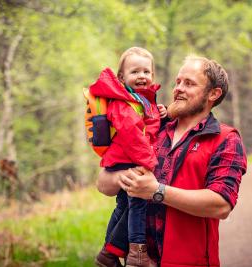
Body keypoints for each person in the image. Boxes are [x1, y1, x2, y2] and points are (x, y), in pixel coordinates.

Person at [96, 55, 247, 267]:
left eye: (189, 83)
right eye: (178, 82)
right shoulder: (150, 129)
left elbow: (220, 205)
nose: (178, 88)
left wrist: (156, 191)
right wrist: (126, 177)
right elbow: (103, 184)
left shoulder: (225, 139)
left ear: (213, 93)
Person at [90, 47, 167, 267]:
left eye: (146, 71)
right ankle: (137, 252)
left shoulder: (141, 100)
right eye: (135, 72)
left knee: (123, 205)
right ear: (122, 77)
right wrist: (149, 164)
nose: (142, 76)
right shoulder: (123, 103)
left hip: (127, 157)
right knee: (138, 203)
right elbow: (133, 136)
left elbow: (148, 126)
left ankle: (108, 253)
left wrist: (160, 112)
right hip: (129, 158)